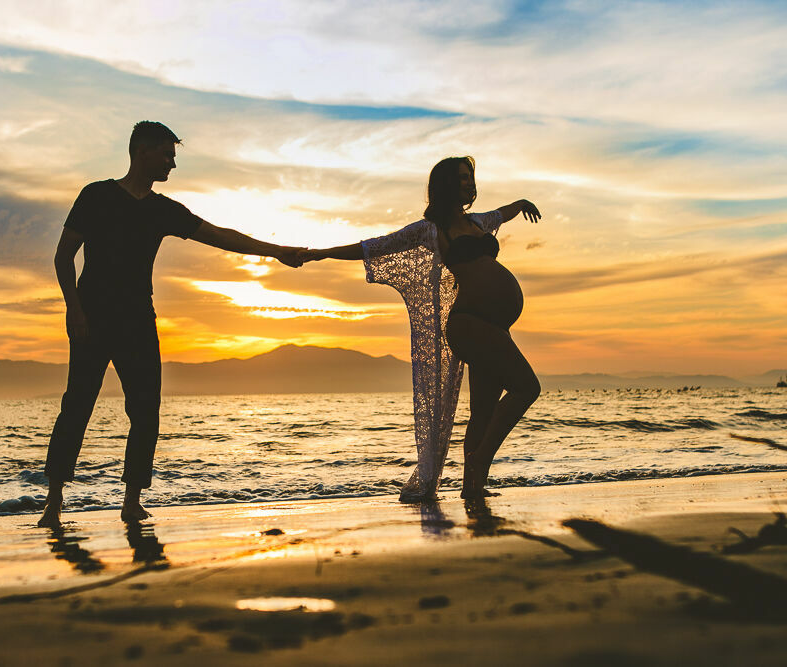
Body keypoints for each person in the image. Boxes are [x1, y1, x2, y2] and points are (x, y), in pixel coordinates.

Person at [38, 121, 302, 528]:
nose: (172, 164)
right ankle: (54, 501)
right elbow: (63, 256)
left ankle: (131, 500)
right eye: (167, 155)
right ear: (142, 152)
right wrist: (73, 309)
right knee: (77, 405)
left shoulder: (162, 210)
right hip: (92, 317)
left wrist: (276, 251)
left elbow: (221, 236)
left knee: (145, 409)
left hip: (138, 320)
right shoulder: (96, 195)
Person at [299, 157, 541, 499]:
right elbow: (374, 246)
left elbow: (504, 212)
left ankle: (473, 486)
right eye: (461, 178)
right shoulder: (431, 230)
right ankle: (482, 459)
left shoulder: (478, 222)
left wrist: (521, 204)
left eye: (471, 177)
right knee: (526, 387)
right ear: (445, 185)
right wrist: (320, 253)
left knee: (484, 411)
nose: (469, 183)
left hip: (493, 327)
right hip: (470, 325)